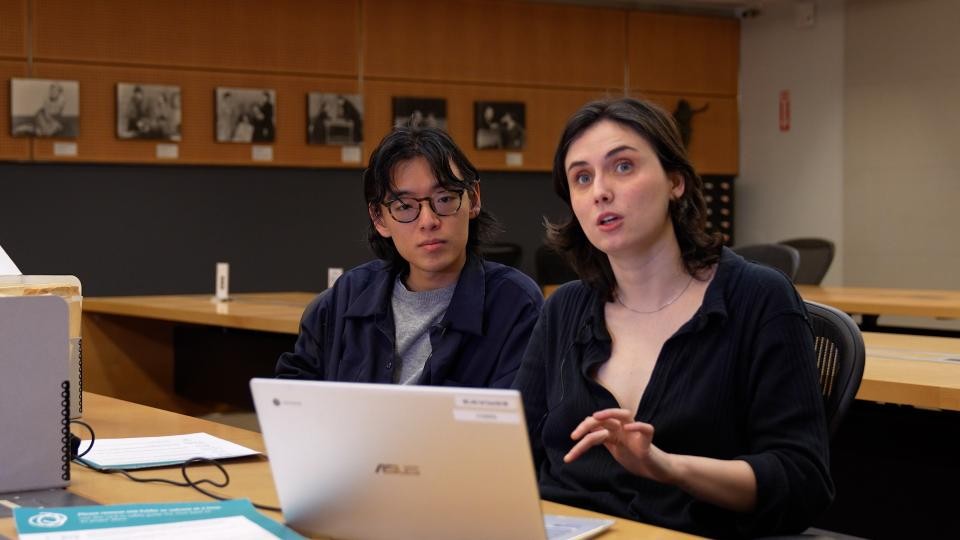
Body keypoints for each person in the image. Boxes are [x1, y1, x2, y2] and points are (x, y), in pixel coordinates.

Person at [512, 97, 833, 538]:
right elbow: (513, 456)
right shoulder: (564, 309)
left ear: (675, 181)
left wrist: (666, 467)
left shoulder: (759, 298)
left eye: (622, 167)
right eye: (581, 177)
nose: (600, 190)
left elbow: (802, 482)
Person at [276, 126, 543, 388]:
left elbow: (515, 422)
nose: (428, 221)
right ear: (379, 219)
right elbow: (291, 397)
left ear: (473, 200)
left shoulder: (515, 304)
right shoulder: (345, 297)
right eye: (404, 206)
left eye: (445, 198)